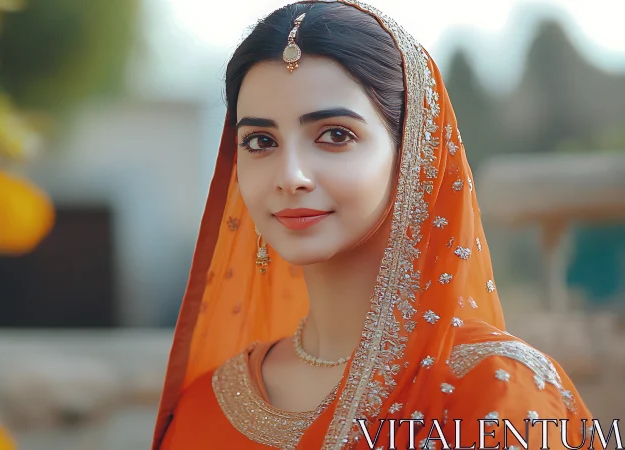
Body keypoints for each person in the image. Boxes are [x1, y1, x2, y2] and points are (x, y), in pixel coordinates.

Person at [152, 1, 593, 449]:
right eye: (260, 141)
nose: (290, 176)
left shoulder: (498, 394)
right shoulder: (204, 407)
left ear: (413, 155)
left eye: (335, 135)